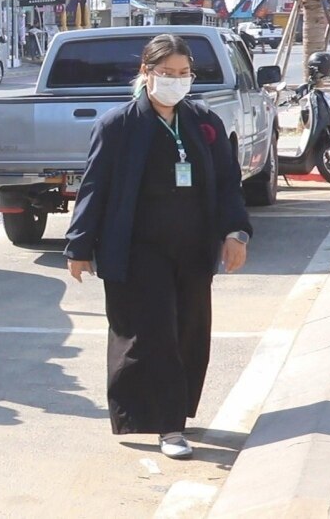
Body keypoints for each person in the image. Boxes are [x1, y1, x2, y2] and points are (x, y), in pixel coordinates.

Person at [64, 34, 252, 460]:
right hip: (136, 252)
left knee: (189, 333)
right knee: (155, 335)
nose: (175, 81)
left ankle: (175, 412)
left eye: (183, 74)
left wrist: (235, 232)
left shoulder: (204, 123)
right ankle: (168, 427)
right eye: (166, 74)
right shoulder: (119, 126)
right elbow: (94, 187)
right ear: (145, 74)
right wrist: (79, 245)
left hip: (192, 251)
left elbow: (227, 184)